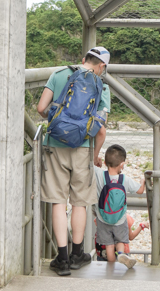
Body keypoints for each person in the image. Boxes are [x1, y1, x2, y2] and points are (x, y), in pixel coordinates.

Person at [37, 47, 111, 276]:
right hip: (83, 148)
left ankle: (62, 258)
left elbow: (41, 108)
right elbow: (101, 131)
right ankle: (78, 253)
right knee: (80, 202)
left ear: (83, 60)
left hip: (54, 147)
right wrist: (95, 155)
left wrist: (59, 121)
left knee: (58, 202)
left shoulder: (59, 75)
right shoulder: (103, 87)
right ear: (102, 66)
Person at [95, 143, 145, 269]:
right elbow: (140, 191)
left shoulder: (99, 174)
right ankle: (122, 254)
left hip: (103, 218)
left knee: (109, 246)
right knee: (120, 241)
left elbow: (89, 165)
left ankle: (111, 268)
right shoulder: (124, 179)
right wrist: (142, 182)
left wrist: (97, 163)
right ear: (122, 164)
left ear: (105, 162)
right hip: (120, 219)